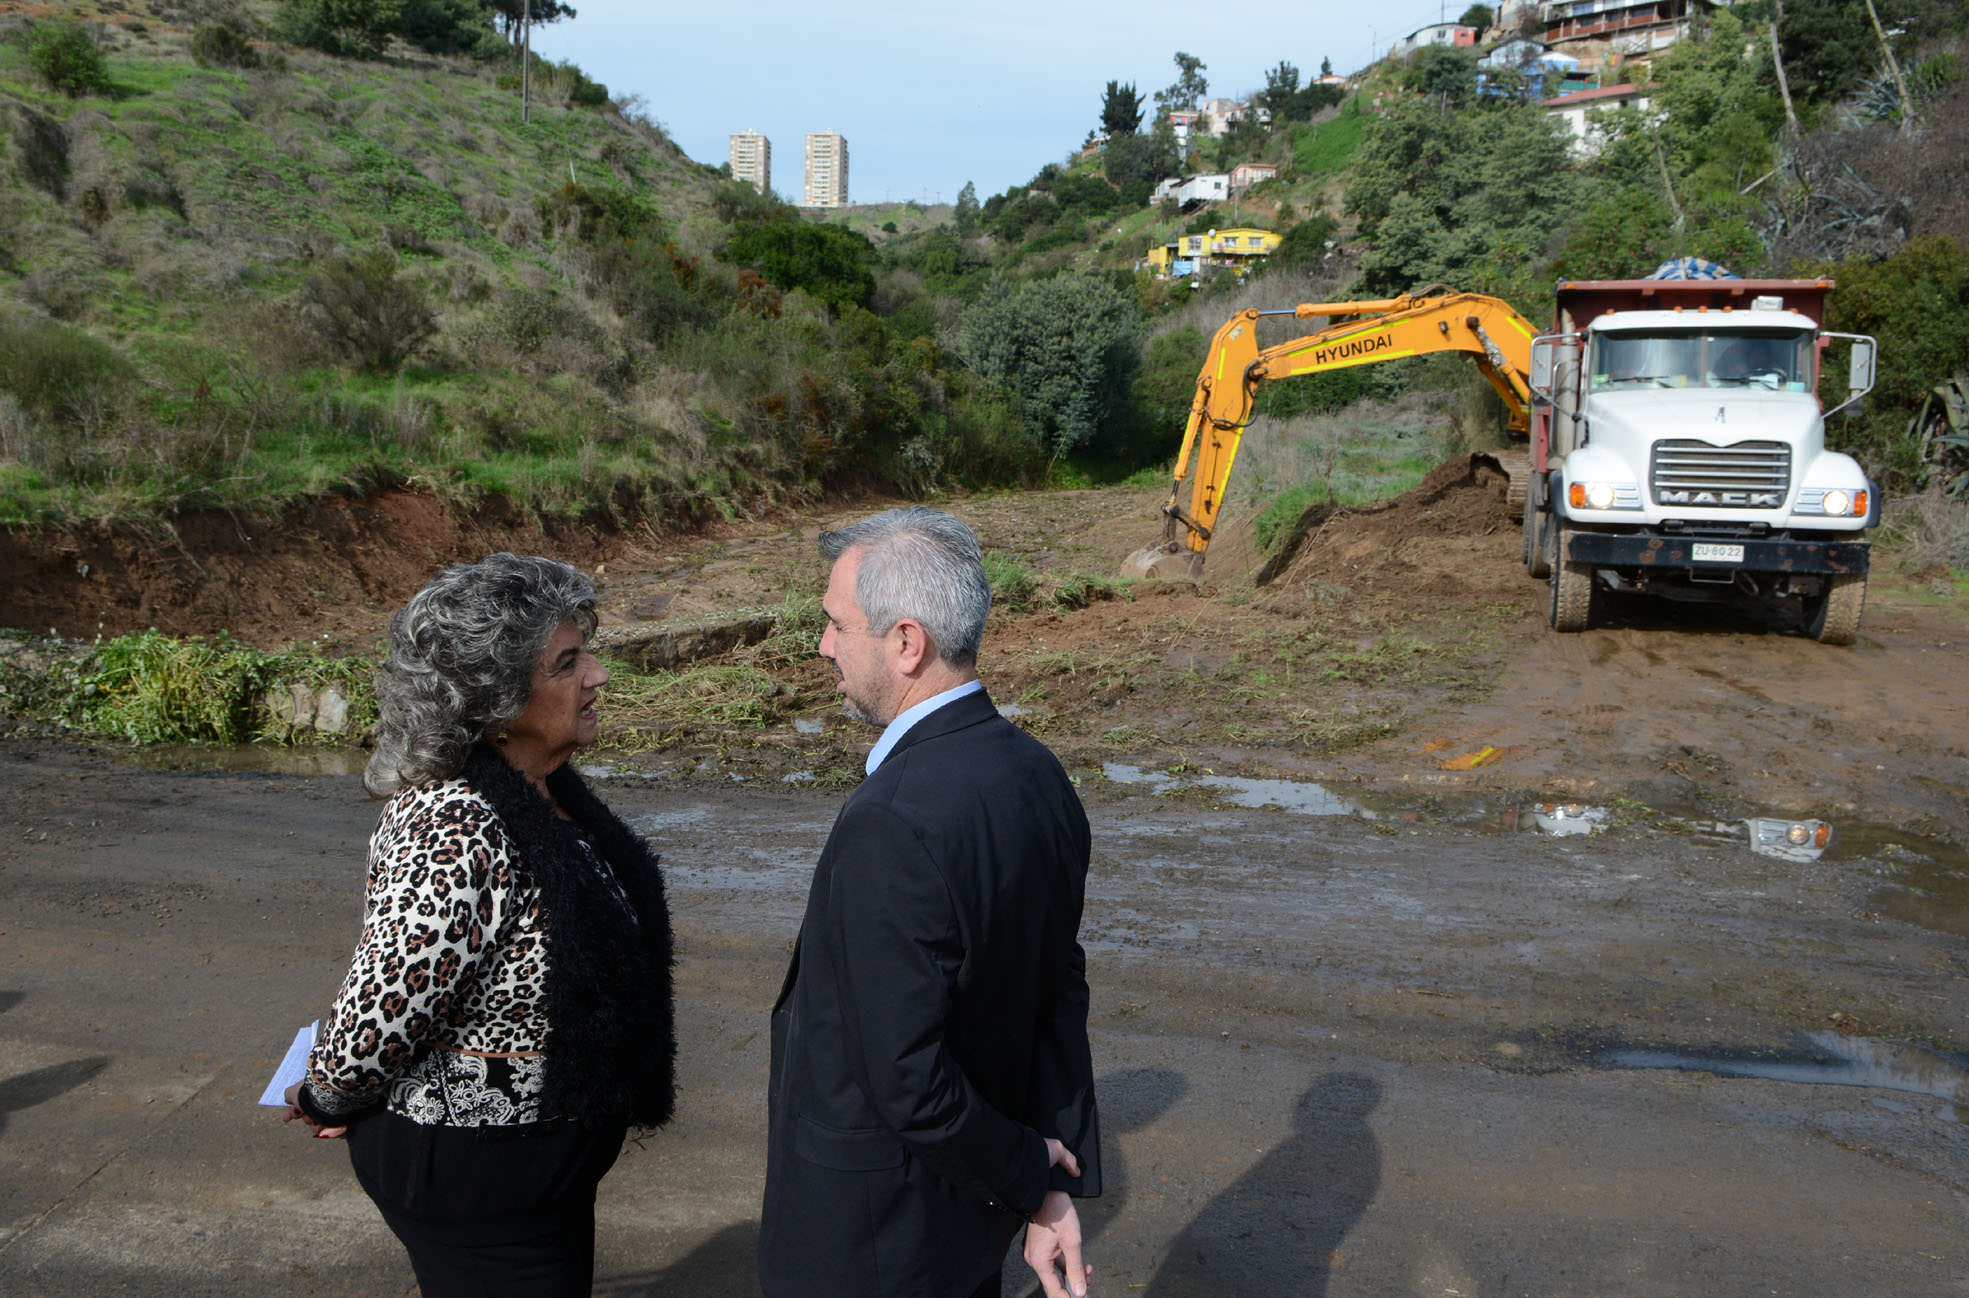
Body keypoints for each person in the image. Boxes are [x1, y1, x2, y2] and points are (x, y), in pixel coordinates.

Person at [281, 553, 675, 1298]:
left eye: (584, 652)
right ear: (493, 701)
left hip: (536, 1171)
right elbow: (383, 1003)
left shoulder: (544, 789)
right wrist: (327, 1094)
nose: (598, 675)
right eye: (567, 663)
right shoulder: (453, 824)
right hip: (478, 1178)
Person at [758, 507, 1101, 1298]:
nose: (822, 646)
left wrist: (1027, 1172)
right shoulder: (1037, 775)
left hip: (874, 1243)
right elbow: (1056, 995)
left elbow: (906, 1078)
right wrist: (1050, 1182)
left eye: (835, 624)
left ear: (905, 642)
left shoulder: (890, 819)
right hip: (964, 1227)